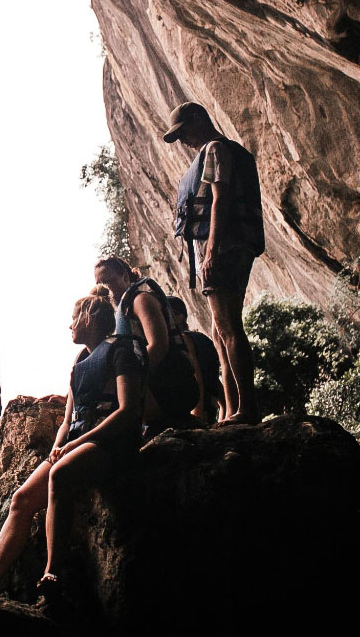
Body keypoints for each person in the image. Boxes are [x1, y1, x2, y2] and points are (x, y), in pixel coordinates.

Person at [0, 287, 141, 598]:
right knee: (22, 498)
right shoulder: (81, 361)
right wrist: (56, 450)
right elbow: (67, 420)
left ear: (90, 317)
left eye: (74, 317)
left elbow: (127, 410)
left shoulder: (121, 351)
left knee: (60, 475)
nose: (70, 324)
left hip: (110, 443)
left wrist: (74, 446)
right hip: (79, 441)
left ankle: (52, 571)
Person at [164, 101, 264, 425]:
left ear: (198, 118)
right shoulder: (213, 151)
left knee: (229, 327)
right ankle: (232, 409)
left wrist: (211, 251)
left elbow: (220, 199)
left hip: (225, 246)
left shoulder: (216, 150)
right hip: (227, 246)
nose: (183, 141)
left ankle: (247, 409)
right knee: (219, 331)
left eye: (182, 132)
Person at [93, 256, 198, 429]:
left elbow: (158, 345)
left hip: (174, 386)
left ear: (125, 276)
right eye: (99, 283)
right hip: (159, 386)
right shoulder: (123, 309)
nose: (103, 288)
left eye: (107, 281)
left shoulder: (140, 300)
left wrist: (128, 379)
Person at [168, 295, 223, 423]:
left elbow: (196, 375)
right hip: (210, 408)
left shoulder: (184, 340)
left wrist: (197, 414)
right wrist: (224, 409)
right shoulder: (201, 338)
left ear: (179, 317)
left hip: (198, 410)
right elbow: (213, 378)